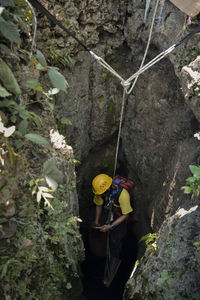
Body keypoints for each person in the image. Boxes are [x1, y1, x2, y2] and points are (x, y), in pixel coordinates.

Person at [91, 173, 133, 287]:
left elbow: (126, 215)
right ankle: (100, 259)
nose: (101, 195)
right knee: (101, 236)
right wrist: (96, 221)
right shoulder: (100, 192)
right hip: (110, 211)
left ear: (109, 187)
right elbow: (99, 205)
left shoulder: (122, 195)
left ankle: (111, 272)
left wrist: (111, 226)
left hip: (120, 217)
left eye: (102, 193)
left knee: (115, 243)